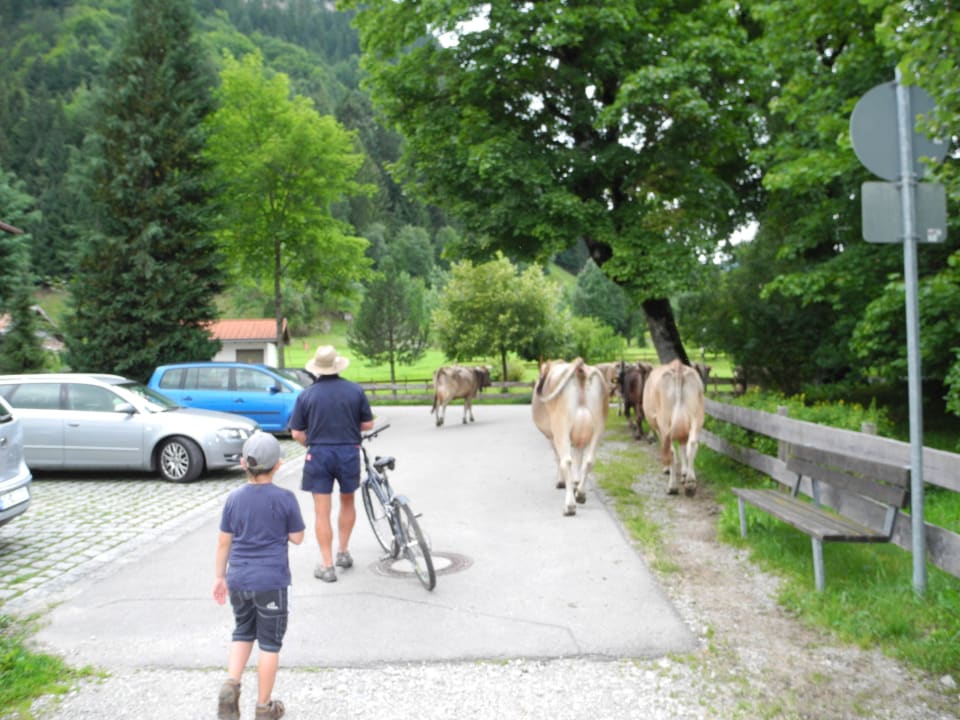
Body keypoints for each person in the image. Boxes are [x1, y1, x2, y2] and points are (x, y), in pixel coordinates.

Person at [213, 431, 305, 720]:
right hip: (271, 582)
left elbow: (223, 542)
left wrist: (219, 577)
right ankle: (264, 707)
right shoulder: (285, 498)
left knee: (242, 631)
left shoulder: (233, 499)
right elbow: (298, 537)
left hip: (238, 578)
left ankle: (231, 684)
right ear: (278, 465)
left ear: (243, 463)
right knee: (269, 643)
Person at [288, 344, 374, 583]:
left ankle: (327, 566)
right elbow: (368, 425)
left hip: (319, 455)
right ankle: (343, 552)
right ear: (337, 365)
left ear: (316, 369)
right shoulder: (354, 391)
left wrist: (312, 445)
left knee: (321, 511)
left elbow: (296, 432)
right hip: (348, 452)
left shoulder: (306, 395)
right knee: (348, 501)